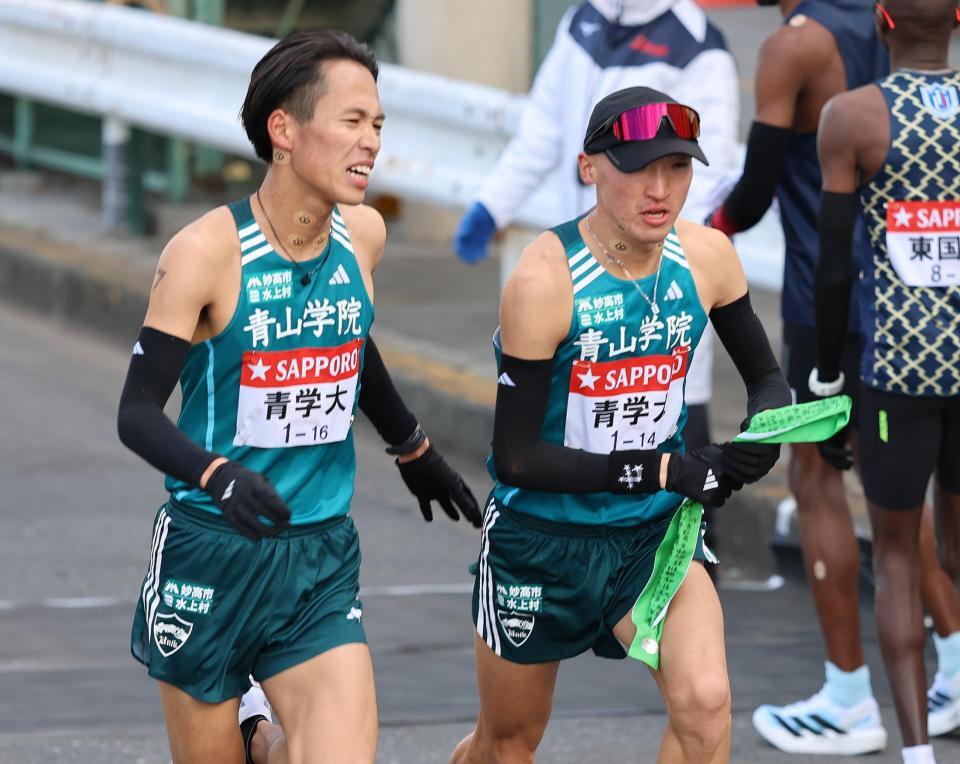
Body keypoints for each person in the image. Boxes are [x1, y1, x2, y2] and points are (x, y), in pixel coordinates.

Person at [116, 30, 481, 764]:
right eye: (352, 121)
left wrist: (413, 448)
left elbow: (351, 338)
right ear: (283, 129)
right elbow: (136, 413)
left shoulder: (365, 237)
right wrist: (217, 475)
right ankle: (256, 737)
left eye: (377, 124)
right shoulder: (204, 254)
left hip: (317, 557)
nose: (371, 142)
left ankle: (265, 741)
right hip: (210, 553)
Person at [450, 86, 791, 764]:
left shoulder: (707, 258)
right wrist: (663, 467)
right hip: (541, 542)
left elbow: (766, 379)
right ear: (589, 168)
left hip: (652, 535)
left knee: (706, 706)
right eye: (637, 167)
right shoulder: (545, 281)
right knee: (508, 741)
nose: (659, 188)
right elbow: (515, 458)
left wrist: (763, 436)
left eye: (677, 168)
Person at [709, 1, 960, 754]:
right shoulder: (869, 22)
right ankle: (949, 657)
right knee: (901, 499)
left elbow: (753, 196)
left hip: (835, 297)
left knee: (817, 480)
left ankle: (849, 696)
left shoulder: (797, 45)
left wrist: (702, 233)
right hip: (929, 320)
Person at [454, 0, 741, 561]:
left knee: (683, 467)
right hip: (581, 280)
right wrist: (492, 203)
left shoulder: (697, 44)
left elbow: (711, 172)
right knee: (570, 450)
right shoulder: (582, 21)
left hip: (659, 290)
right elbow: (543, 128)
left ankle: (686, 595)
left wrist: (672, 259)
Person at [812, 1, 960, 761]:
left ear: (881, 20)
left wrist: (827, 376)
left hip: (898, 373)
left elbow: (833, 265)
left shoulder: (853, 118)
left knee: (900, 560)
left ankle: (916, 755)